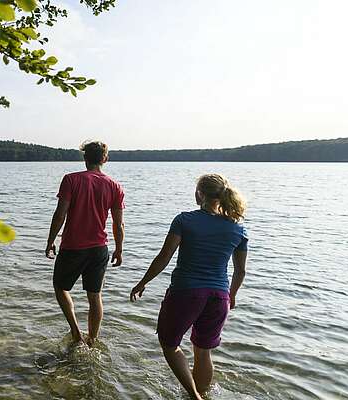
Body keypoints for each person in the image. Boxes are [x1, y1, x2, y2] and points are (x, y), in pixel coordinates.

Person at [129, 174, 248, 399]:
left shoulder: (184, 220)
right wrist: (231, 296)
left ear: (199, 194)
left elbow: (164, 256)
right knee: (203, 352)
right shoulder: (237, 228)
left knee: (169, 344)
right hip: (219, 296)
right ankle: (199, 393)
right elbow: (240, 271)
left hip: (186, 293)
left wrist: (143, 282)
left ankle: (194, 395)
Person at [45, 140, 125, 347]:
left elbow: (59, 214)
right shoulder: (114, 186)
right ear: (105, 159)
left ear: (84, 158)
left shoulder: (71, 180)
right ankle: (93, 339)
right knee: (95, 295)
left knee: (60, 287)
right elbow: (119, 223)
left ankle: (75, 332)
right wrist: (119, 249)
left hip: (73, 246)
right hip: (99, 248)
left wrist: (50, 240)